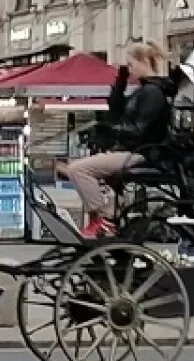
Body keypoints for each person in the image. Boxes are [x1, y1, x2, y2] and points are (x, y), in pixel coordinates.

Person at [64, 42, 174, 238]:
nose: (129, 70)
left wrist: (112, 131)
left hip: (142, 153)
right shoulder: (143, 91)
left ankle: (102, 219)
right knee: (83, 170)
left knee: (77, 169)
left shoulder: (152, 93)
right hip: (134, 151)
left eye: (130, 65)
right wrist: (120, 82)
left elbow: (139, 130)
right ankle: (107, 216)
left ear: (142, 62)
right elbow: (115, 110)